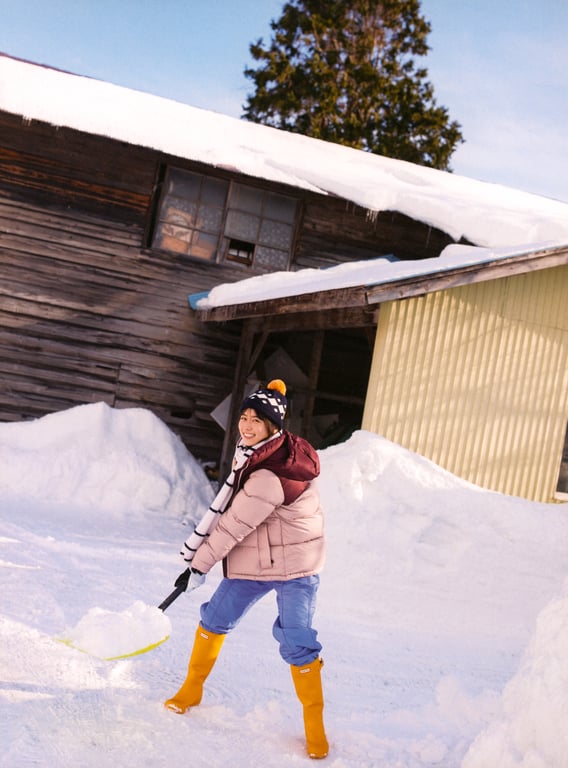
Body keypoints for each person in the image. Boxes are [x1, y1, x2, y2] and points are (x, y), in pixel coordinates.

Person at [164, 379, 329, 760]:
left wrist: (198, 567)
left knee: (297, 640)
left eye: (257, 420)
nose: (247, 425)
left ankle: (314, 724)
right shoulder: (262, 453)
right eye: (244, 417)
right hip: (259, 558)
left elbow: (232, 525)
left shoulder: (270, 474)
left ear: (273, 427)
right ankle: (192, 688)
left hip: (296, 567)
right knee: (215, 618)